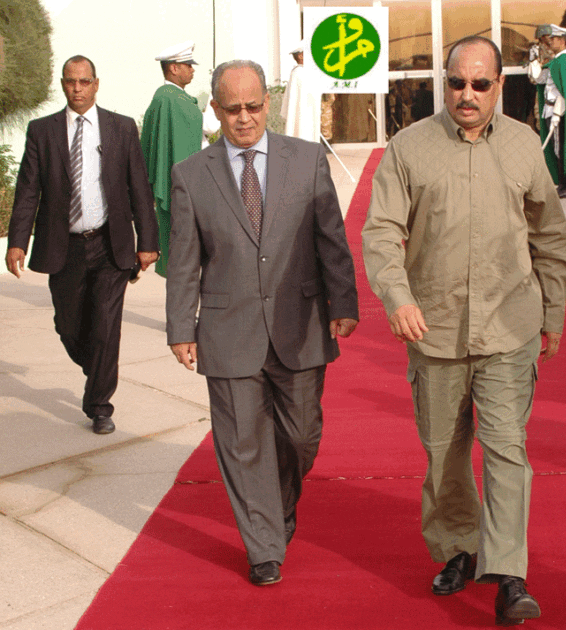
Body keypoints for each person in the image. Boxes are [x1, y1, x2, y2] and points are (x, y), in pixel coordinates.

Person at [362, 36, 566, 625]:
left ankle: (508, 573)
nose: (467, 94)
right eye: (457, 83)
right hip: (435, 330)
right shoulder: (409, 148)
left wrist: (552, 311)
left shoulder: (524, 145)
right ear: (444, 83)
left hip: (510, 327)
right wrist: (398, 297)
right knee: (444, 455)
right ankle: (458, 548)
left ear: (499, 85)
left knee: (507, 449)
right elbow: (381, 233)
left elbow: (550, 235)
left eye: (480, 84)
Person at [166, 60, 359, 586]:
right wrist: (181, 327)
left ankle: (277, 506)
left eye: (253, 106)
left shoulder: (307, 159)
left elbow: (331, 238)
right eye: (233, 109)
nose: (245, 118)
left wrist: (343, 302)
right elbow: (183, 259)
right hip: (227, 328)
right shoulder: (191, 175)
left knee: (301, 436)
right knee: (241, 442)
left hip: (301, 323)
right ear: (215, 109)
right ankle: (264, 546)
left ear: (267, 104)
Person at [5, 55, 159, 435]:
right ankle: (99, 366)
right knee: (69, 325)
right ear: (63, 84)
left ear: (96, 84)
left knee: (106, 327)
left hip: (110, 244)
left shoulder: (121, 128)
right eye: (71, 81)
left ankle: (100, 406)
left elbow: (139, 187)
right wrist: (17, 242)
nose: (77, 88)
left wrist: (148, 241)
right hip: (64, 246)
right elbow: (28, 190)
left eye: (84, 81)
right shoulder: (42, 130)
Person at [140, 41, 203, 277]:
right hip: (177, 185)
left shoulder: (172, 98)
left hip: (182, 182)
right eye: (188, 65)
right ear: (174, 68)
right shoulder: (169, 100)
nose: (192, 69)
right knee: (180, 257)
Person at [536, 24, 566, 198]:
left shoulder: (564, 63)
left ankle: (565, 186)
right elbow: (542, 82)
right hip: (550, 111)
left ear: (562, 41)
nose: (550, 41)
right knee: (555, 147)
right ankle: (561, 183)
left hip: (558, 113)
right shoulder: (556, 62)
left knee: (560, 149)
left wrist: (558, 113)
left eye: (554, 39)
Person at [280, 41, 321, 142]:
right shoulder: (298, 73)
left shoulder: (308, 72)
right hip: (301, 117)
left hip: (310, 116)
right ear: (301, 56)